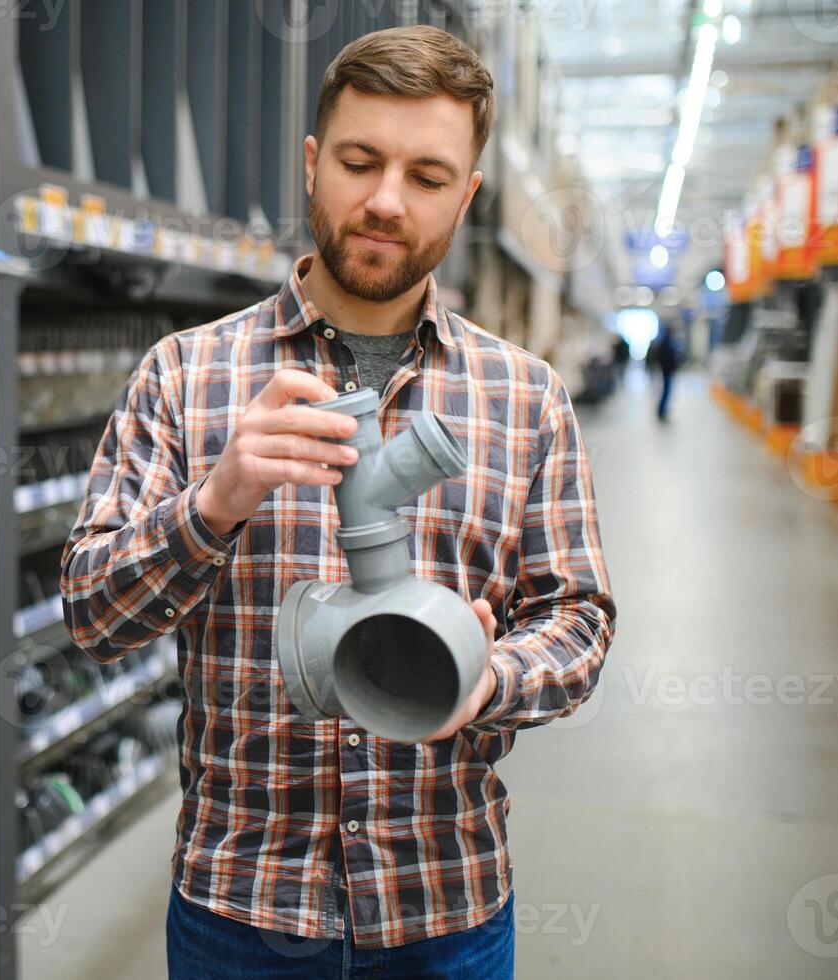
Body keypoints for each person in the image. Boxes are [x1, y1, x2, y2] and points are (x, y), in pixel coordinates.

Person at [59, 25, 616, 980]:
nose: (386, 202)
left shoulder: (525, 397)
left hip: (444, 908)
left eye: (427, 177)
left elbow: (579, 621)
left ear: (467, 196)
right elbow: (93, 617)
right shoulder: (187, 376)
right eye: (359, 162)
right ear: (313, 165)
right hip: (241, 910)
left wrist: (489, 682)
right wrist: (216, 501)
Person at [650, 324, 682, 421]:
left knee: (666, 391)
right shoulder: (666, 342)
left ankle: (662, 410)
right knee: (666, 391)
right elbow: (667, 358)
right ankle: (661, 411)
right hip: (667, 371)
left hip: (667, 370)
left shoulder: (666, 341)